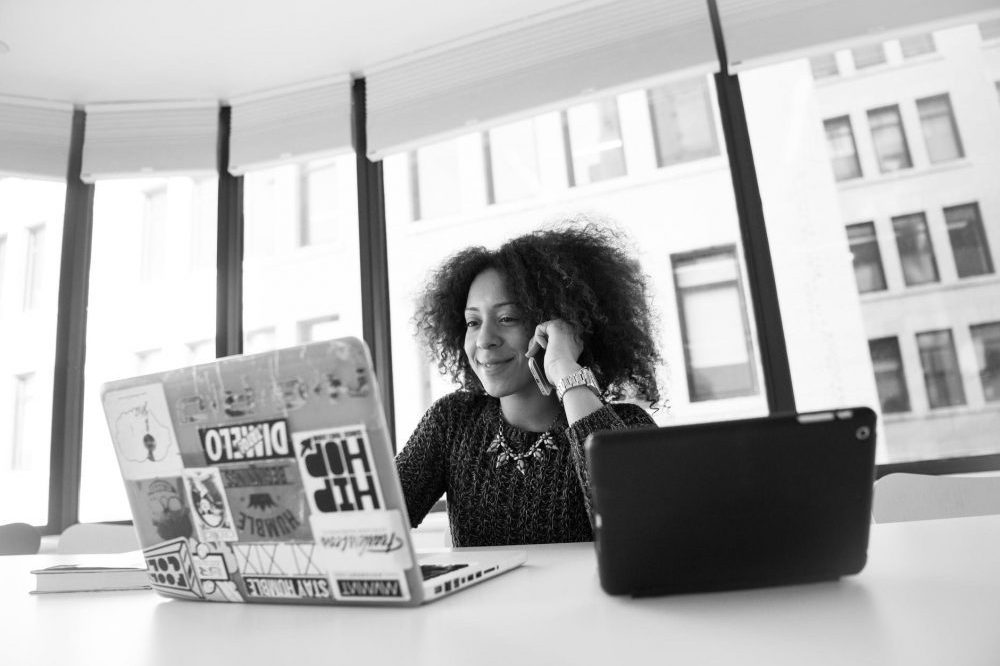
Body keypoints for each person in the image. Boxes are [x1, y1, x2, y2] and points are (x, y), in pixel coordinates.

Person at [396, 221, 663, 546]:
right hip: (485, 600)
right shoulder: (452, 422)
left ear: (554, 325)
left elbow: (641, 527)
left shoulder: (627, 425)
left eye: (507, 318)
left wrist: (565, 369)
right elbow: (376, 519)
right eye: (473, 322)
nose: (484, 340)